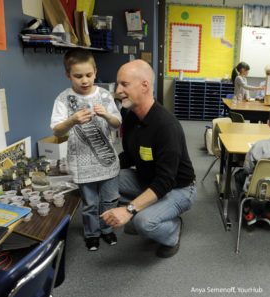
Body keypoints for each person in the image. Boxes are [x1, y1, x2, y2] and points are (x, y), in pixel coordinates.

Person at [100, 60, 196, 258]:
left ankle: (173, 229)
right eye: (118, 84)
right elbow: (129, 156)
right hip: (147, 179)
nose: (118, 90)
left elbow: (165, 181)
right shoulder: (130, 115)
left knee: (142, 222)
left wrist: (128, 210)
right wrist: (102, 166)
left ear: (144, 85)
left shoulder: (166, 126)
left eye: (124, 84)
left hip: (178, 189)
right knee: (103, 179)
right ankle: (149, 208)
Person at [50, 49, 122, 251]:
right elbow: (57, 130)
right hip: (81, 164)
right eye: (78, 76)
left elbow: (116, 124)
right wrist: (72, 120)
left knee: (109, 199)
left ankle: (107, 230)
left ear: (95, 71)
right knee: (90, 204)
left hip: (107, 162)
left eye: (89, 75)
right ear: (68, 75)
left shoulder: (105, 95)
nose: (84, 80)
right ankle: (92, 234)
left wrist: (107, 115)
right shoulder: (63, 99)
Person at [235, 107, 270, 228]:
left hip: (257, 188)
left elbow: (248, 168)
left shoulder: (259, 145)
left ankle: (247, 210)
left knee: (239, 175)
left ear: (268, 123)